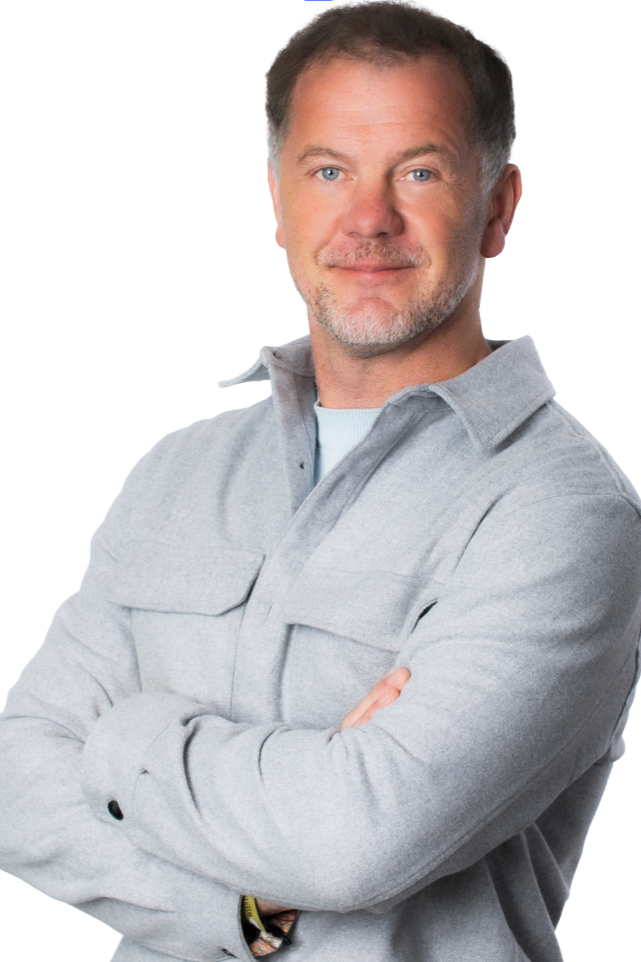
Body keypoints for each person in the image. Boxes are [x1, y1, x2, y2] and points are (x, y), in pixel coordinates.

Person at [1, 3, 640, 961]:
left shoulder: (560, 513)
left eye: (418, 172)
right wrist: (249, 918)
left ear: (498, 207)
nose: (368, 219)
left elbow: (357, 840)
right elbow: (15, 779)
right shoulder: (181, 473)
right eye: (329, 171)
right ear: (278, 200)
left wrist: (123, 738)